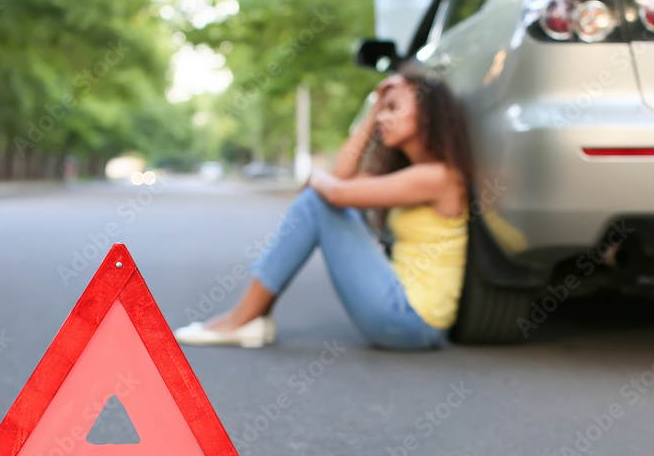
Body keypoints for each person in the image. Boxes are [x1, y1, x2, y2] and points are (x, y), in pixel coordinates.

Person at [174, 61, 474, 350]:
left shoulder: (439, 177)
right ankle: (251, 318)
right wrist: (371, 114)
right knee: (319, 199)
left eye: (393, 108)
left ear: (428, 114)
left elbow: (334, 192)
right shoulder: (410, 175)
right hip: (406, 314)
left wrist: (315, 176)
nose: (383, 118)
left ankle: (244, 318)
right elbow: (340, 180)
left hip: (411, 321)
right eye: (382, 110)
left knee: (316, 201)